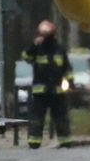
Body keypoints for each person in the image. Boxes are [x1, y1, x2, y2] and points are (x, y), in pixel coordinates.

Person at [22, 20, 74, 149]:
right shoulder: (37, 49)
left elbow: (67, 68)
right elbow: (26, 57)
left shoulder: (59, 50)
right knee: (37, 119)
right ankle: (34, 141)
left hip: (57, 91)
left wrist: (71, 83)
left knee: (61, 117)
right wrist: (34, 45)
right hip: (40, 92)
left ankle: (65, 141)